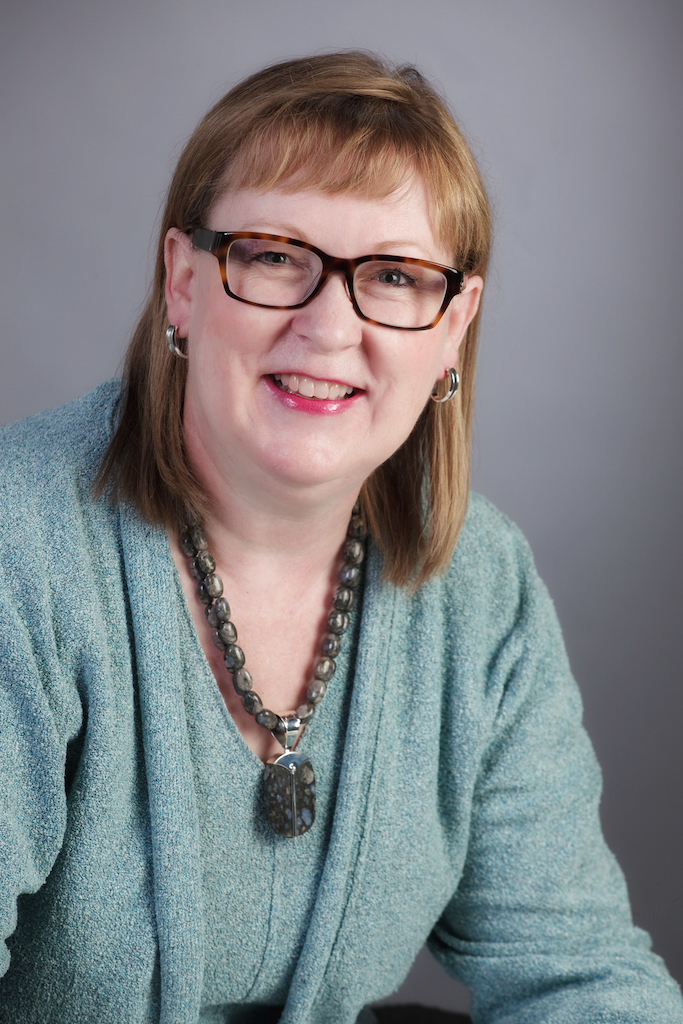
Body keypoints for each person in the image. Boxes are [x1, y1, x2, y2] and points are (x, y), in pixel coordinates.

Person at [0, 51, 681, 1024]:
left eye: (395, 276)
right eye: (275, 255)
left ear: (451, 329)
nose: (328, 326)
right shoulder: (20, 544)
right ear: (184, 282)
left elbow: (574, 969)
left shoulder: (479, 587)